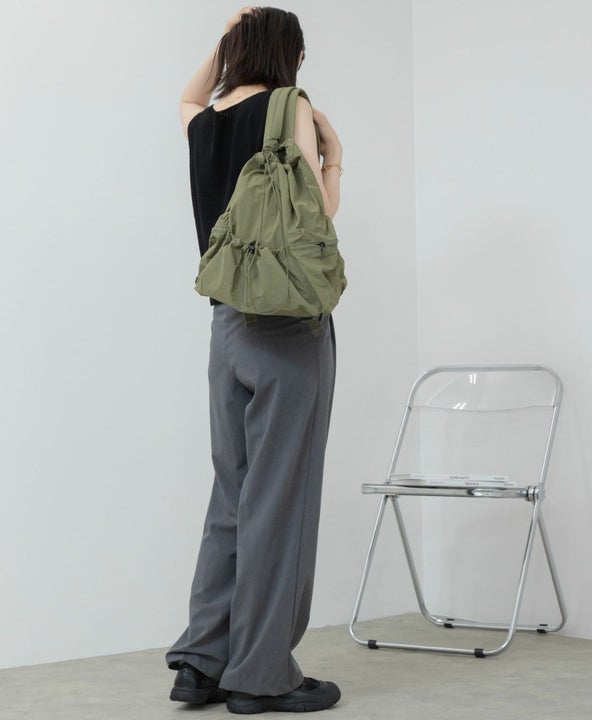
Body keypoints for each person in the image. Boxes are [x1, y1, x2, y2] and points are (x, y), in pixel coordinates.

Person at [165, 6, 343, 714]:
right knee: (280, 501)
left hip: (226, 328)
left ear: (235, 52)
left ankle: (201, 662)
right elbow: (316, 218)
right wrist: (335, 160)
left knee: (233, 496)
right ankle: (261, 675)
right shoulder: (288, 105)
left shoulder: (202, 122)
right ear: (291, 57)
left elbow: (185, 96)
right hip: (287, 332)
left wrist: (225, 43)